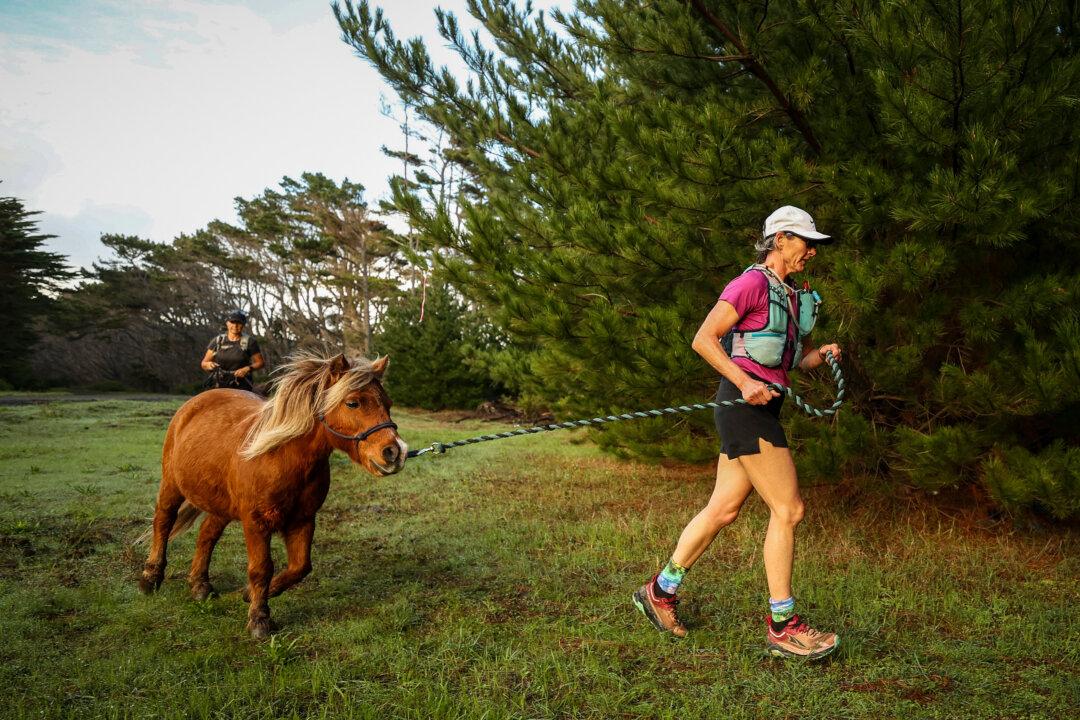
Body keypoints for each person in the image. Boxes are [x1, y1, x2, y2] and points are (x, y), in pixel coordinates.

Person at [632, 205, 843, 660]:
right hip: (742, 406)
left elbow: (787, 363)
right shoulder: (749, 284)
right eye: (807, 242)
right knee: (789, 509)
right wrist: (745, 383)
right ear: (781, 240)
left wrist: (818, 356)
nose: (812, 251)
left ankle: (659, 590)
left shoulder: (791, 294)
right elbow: (703, 338)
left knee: (723, 509)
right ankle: (783, 625)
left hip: (761, 406)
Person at [200, 309, 265, 392]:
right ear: (227, 323)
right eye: (232, 322)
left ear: (243, 324)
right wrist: (209, 365)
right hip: (218, 383)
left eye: (238, 323)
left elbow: (260, 363)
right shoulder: (218, 341)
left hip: (241, 384)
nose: (235, 326)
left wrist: (247, 369)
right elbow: (204, 363)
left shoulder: (250, 342)